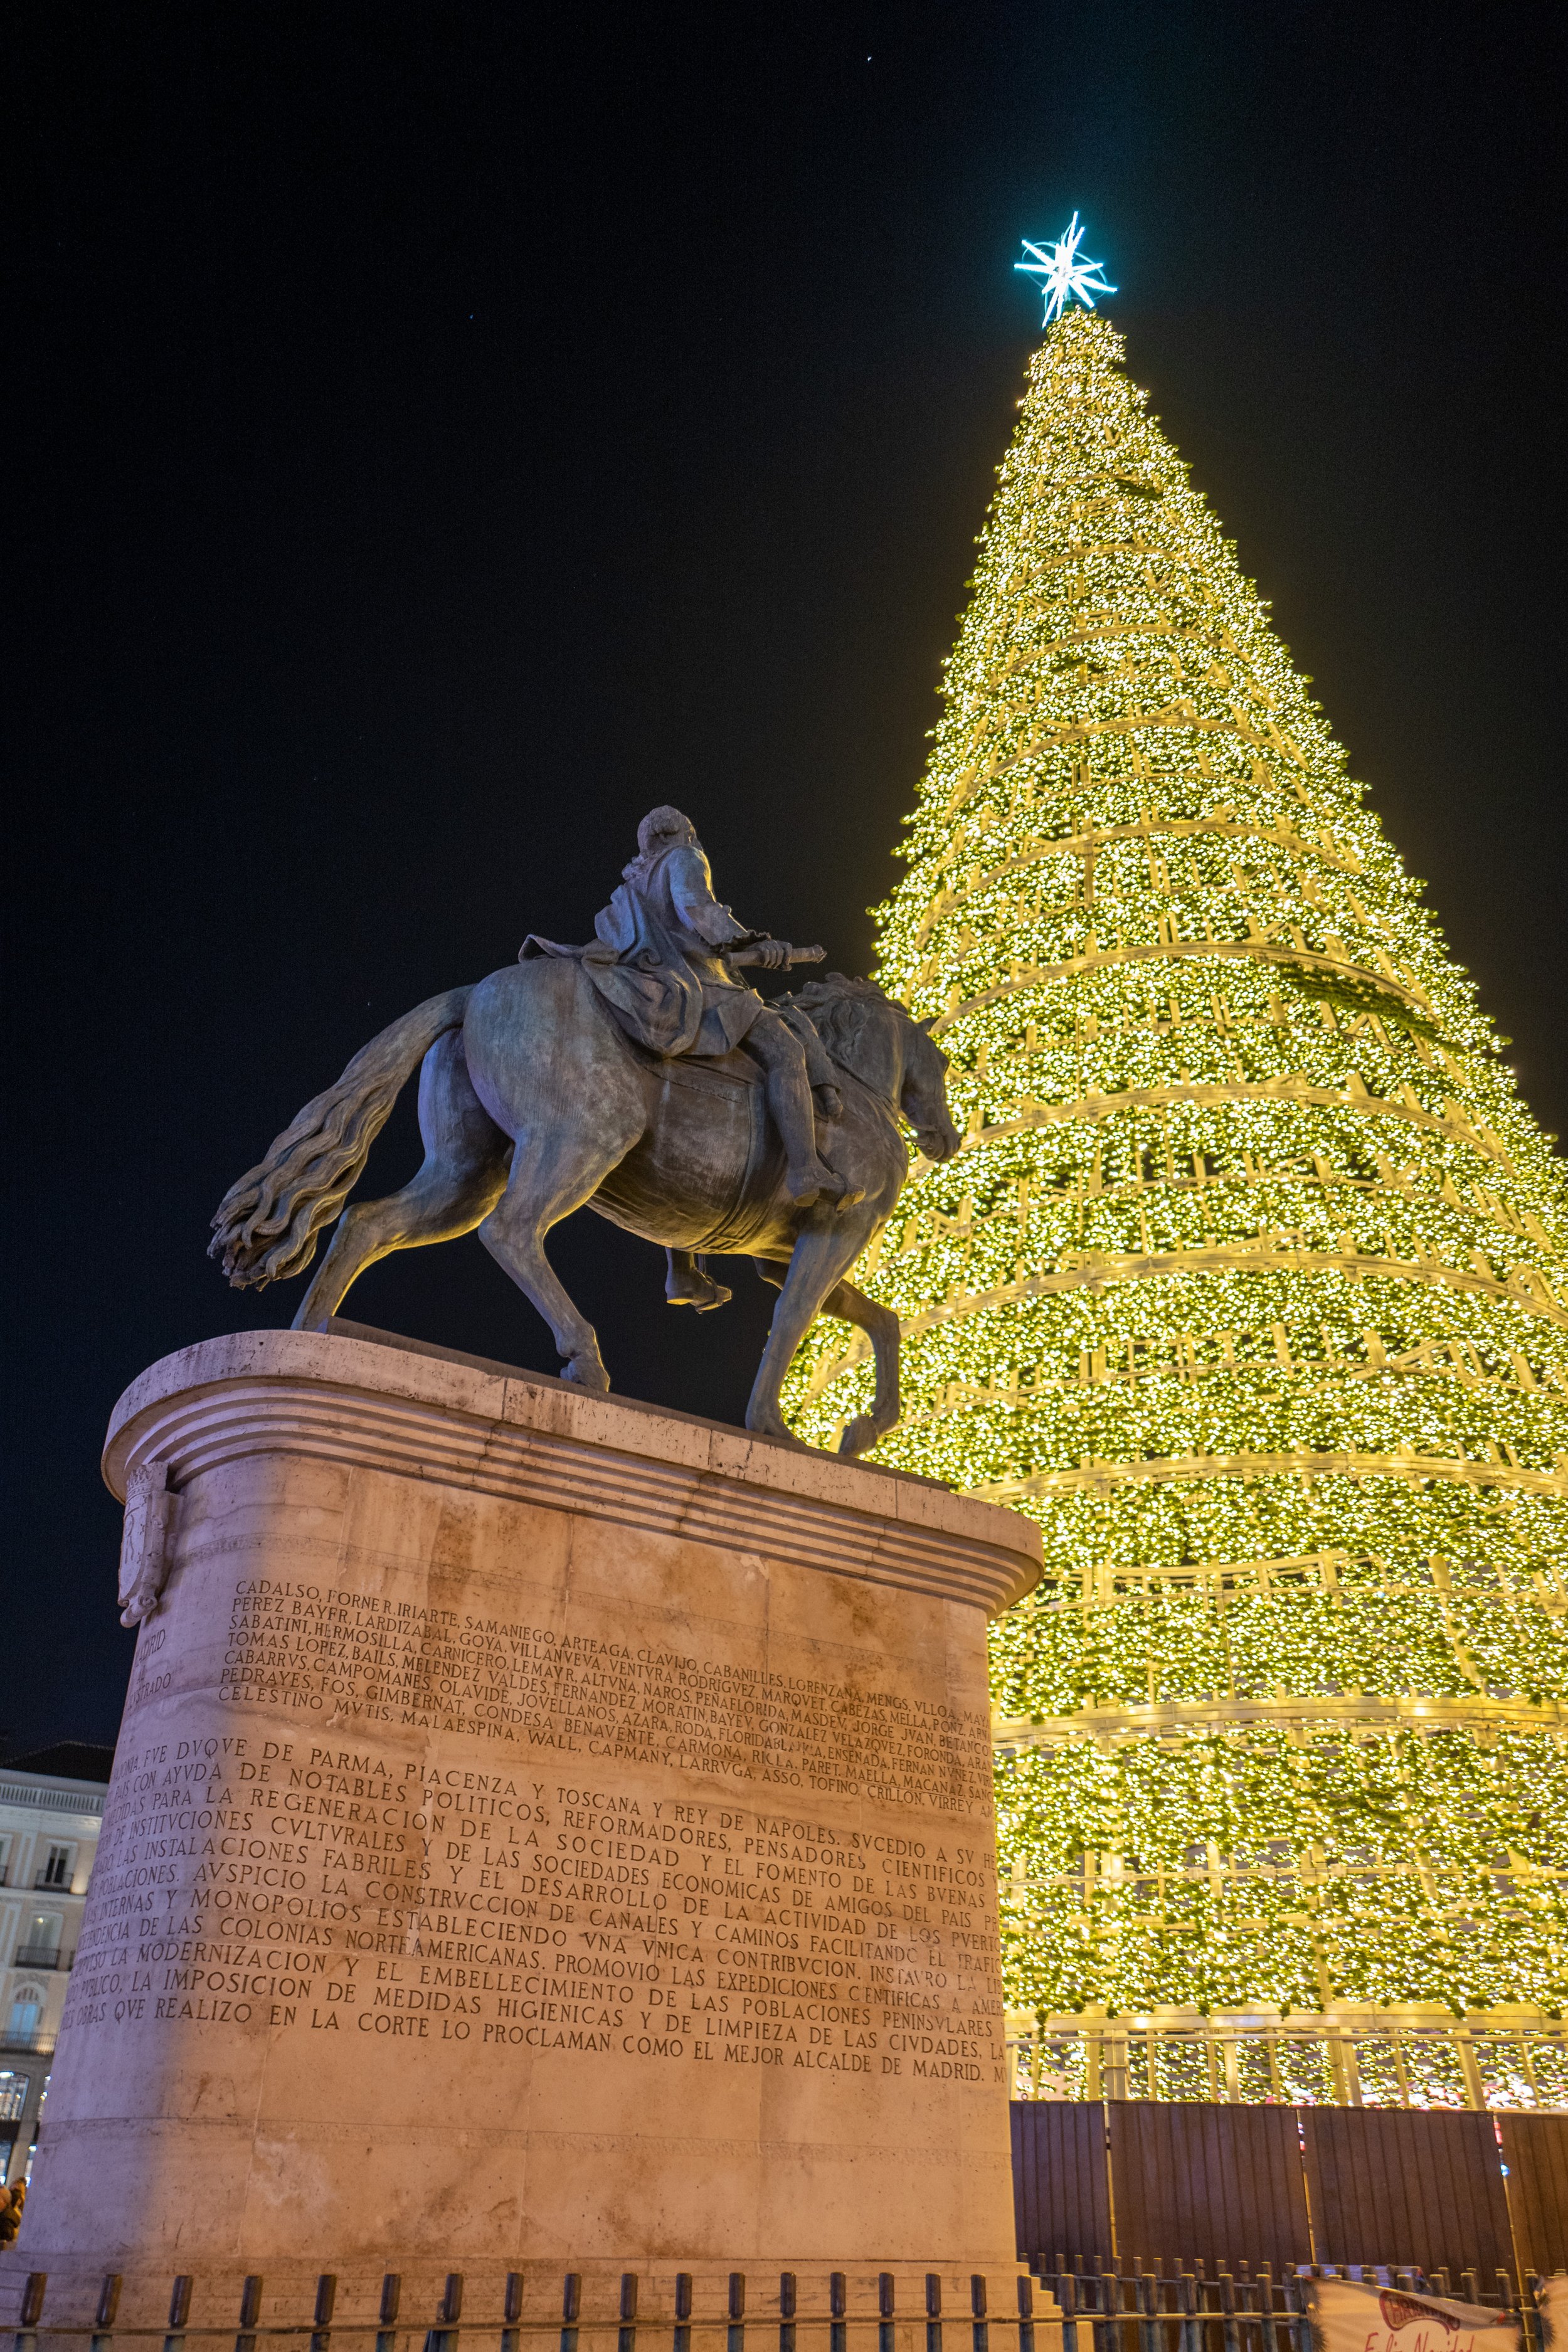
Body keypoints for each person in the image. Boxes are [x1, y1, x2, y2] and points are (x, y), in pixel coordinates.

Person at [529, 805, 853, 1209]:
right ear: (685, 833)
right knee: (787, 1050)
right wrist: (751, 944)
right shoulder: (684, 857)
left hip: (657, 981)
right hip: (702, 986)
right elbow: (697, 907)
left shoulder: (630, 889)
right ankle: (806, 1167)